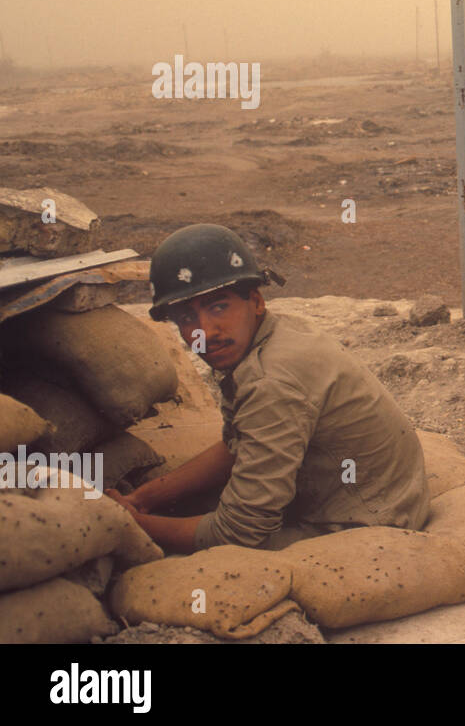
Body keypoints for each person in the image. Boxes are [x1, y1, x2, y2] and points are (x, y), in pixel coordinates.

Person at [106, 224, 430, 552]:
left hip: (368, 522)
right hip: (379, 494)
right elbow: (237, 446)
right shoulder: (273, 334)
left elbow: (238, 533)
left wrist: (130, 522)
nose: (206, 332)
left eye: (219, 307)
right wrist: (141, 498)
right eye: (187, 319)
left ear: (256, 302)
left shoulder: (271, 382)